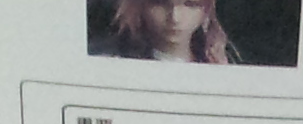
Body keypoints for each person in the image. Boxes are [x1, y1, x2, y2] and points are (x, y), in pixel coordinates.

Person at [93, 0, 237, 61]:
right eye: (161, 4)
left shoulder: (223, 62)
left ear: (206, 10)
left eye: (190, 4)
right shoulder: (110, 59)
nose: (175, 17)